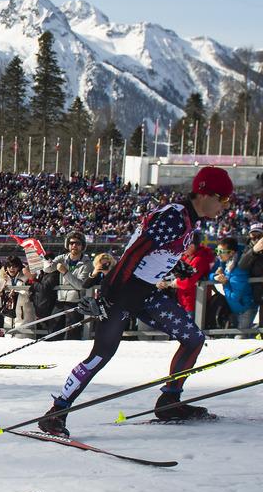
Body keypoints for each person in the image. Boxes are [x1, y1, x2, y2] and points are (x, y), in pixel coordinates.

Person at [38, 166, 233, 435]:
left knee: (193, 338)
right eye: (222, 199)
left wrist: (177, 268)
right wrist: (107, 297)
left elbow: (156, 254)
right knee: (101, 355)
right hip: (122, 291)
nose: (225, 206)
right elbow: (132, 255)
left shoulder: (187, 219)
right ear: (204, 194)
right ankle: (56, 413)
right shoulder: (174, 217)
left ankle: (170, 401)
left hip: (145, 292)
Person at [43, 233, 91, 340]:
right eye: (71, 243)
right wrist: (45, 259)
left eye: (77, 243)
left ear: (82, 246)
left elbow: (81, 285)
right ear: (67, 245)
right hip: (60, 301)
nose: (74, 245)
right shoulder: (62, 258)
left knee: (71, 335)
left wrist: (65, 272)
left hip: (76, 303)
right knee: (53, 332)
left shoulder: (87, 263)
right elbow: (47, 269)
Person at [210, 237, 255, 331]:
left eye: (221, 251)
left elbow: (234, 297)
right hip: (234, 309)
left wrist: (225, 283)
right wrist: (215, 276)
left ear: (232, 253)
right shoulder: (224, 263)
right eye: (217, 250)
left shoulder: (239, 270)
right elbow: (208, 274)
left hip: (245, 310)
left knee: (240, 339)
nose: (218, 254)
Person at [237, 223, 263, 326]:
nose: (256, 239)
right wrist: (254, 251)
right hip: (254, 292)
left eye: (259, 235)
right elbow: (242, 265)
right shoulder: (248, 248)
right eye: (253, 235)